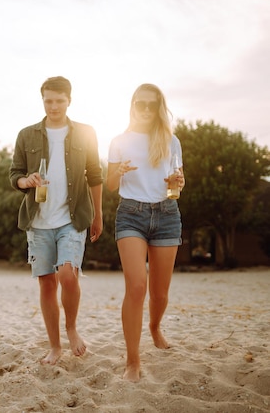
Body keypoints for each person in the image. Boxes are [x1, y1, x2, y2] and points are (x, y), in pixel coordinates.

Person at [9, 76, 103, 364]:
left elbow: (96, 176)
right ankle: (55, 346)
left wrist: (98, 215)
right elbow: (15, 175)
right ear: (43, 101)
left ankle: (72, 328)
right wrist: (27, 180)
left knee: (67, 274)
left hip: (72, 220)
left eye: (59, 101)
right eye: (48, 101)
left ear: (69, 101)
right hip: (38, 221)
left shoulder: (86, 133)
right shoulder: (27, 135)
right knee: (47, 284)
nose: (54, 106)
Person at [105, 83, 184, 382]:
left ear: (159, 107)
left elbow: (178, 182)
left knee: (160, 294)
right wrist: (118, 172)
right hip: (131, 215)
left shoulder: (171, 140)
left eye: (153, 105)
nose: (147, 110)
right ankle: (133, 361)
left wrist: (179, 180)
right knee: (137, 286)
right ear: (133, 105)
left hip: (166, 215)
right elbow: (111, 184)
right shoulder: (118, 140)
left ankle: (154, 327)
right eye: (142, 104)